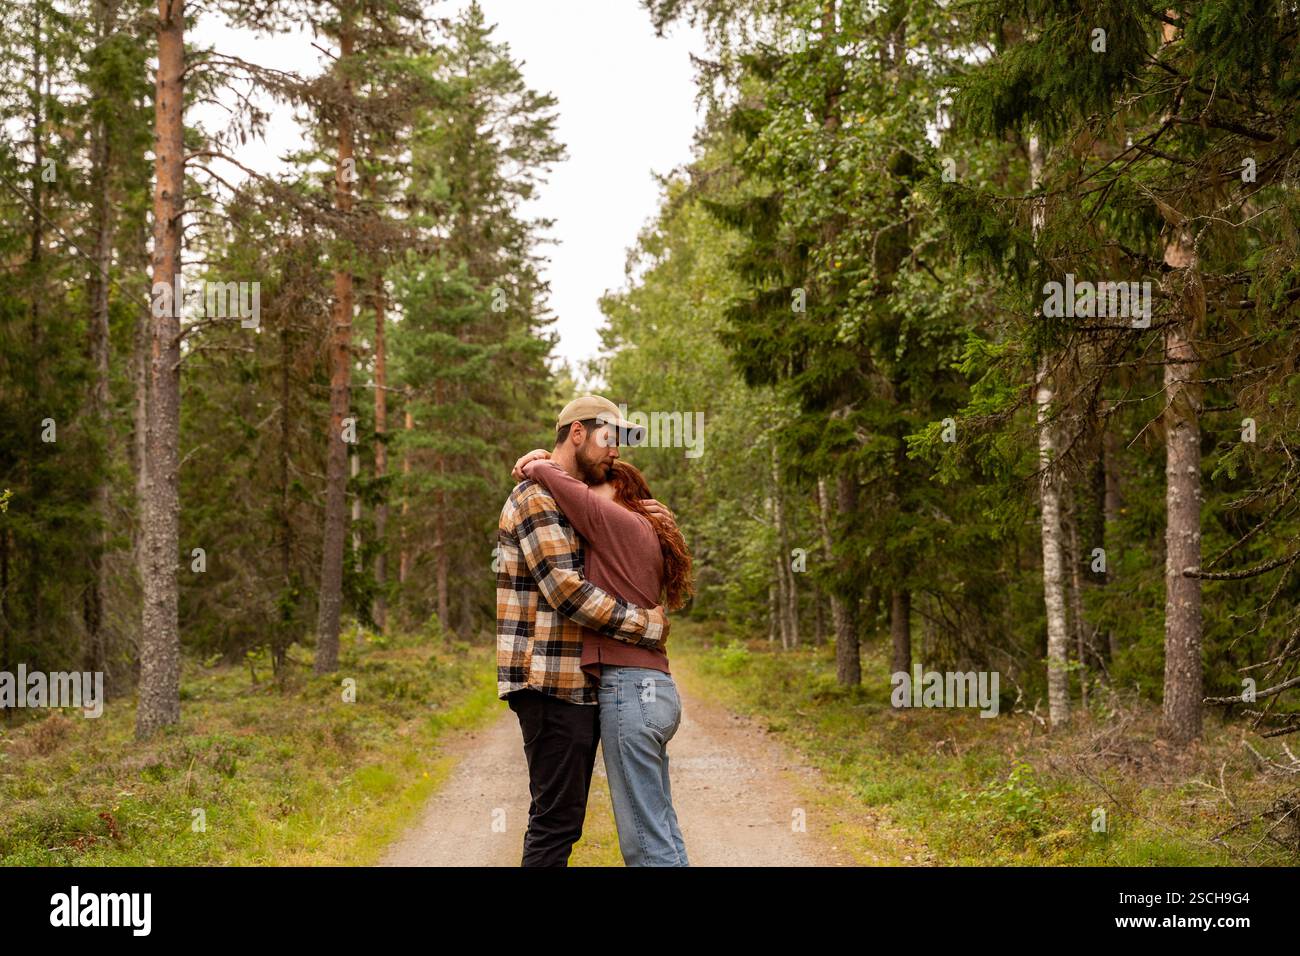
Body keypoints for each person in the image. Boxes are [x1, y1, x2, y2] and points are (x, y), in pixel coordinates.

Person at [495, 394, 672, 866]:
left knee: (563, 819)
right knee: (555, 821)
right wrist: (645, 625)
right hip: (548, 681)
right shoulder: (535, 497)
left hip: (576, 683)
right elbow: (566, 591)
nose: (616, 452)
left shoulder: (569, 494)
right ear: (578, 433)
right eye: (610, 439)